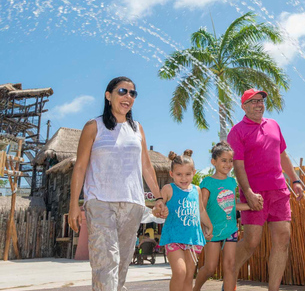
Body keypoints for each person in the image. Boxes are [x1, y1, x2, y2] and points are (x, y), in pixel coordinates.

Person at [68, 76, 168, 291]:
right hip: (100, 202)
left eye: (133, 93)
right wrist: (73, 204)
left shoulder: (137, 128)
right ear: (108, 96)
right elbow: (80, 167)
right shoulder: (93, 126)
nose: (128, 96)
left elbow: (147, 167)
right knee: (106, 262)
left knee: (122, 264)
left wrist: (158, 197)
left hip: (132, 204)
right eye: (123, 91)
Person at [227, 89, 304, 291]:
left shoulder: (274, 125)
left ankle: (273, 290)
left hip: (279, 191)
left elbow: (283, 156)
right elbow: (238, 166)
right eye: (253, 101)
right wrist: (249, 192)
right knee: (252, 241)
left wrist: (295, 180)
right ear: (243, 106)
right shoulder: (237, 131)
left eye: (260, 101)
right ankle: (229, 277)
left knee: (283, 239)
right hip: (254, 193)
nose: (258, 104)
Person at [193, 142, 251, 291]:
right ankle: (195, 289)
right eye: (224, 160)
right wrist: (203, 227)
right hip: (212, 231)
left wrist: (251, 205)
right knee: (210, 268)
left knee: (230, 266)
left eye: (230, 160)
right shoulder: (208, 182)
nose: (228, 164)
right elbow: (202, 208)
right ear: (214, 162)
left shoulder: (232, 182)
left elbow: (232, 204)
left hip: (231, 228)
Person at [158, 150, 213, 291]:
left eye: (187, 174)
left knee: (189, 276)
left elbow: (201, 210)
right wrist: (159, 210)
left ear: (193, 172)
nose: (183, 178)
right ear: (171, 174)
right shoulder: (168, 189)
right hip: (173, 238)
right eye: (179, 174)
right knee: (180, 272)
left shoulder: (197, 190)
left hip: (193, 239)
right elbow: (156, 208)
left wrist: (209, 225)